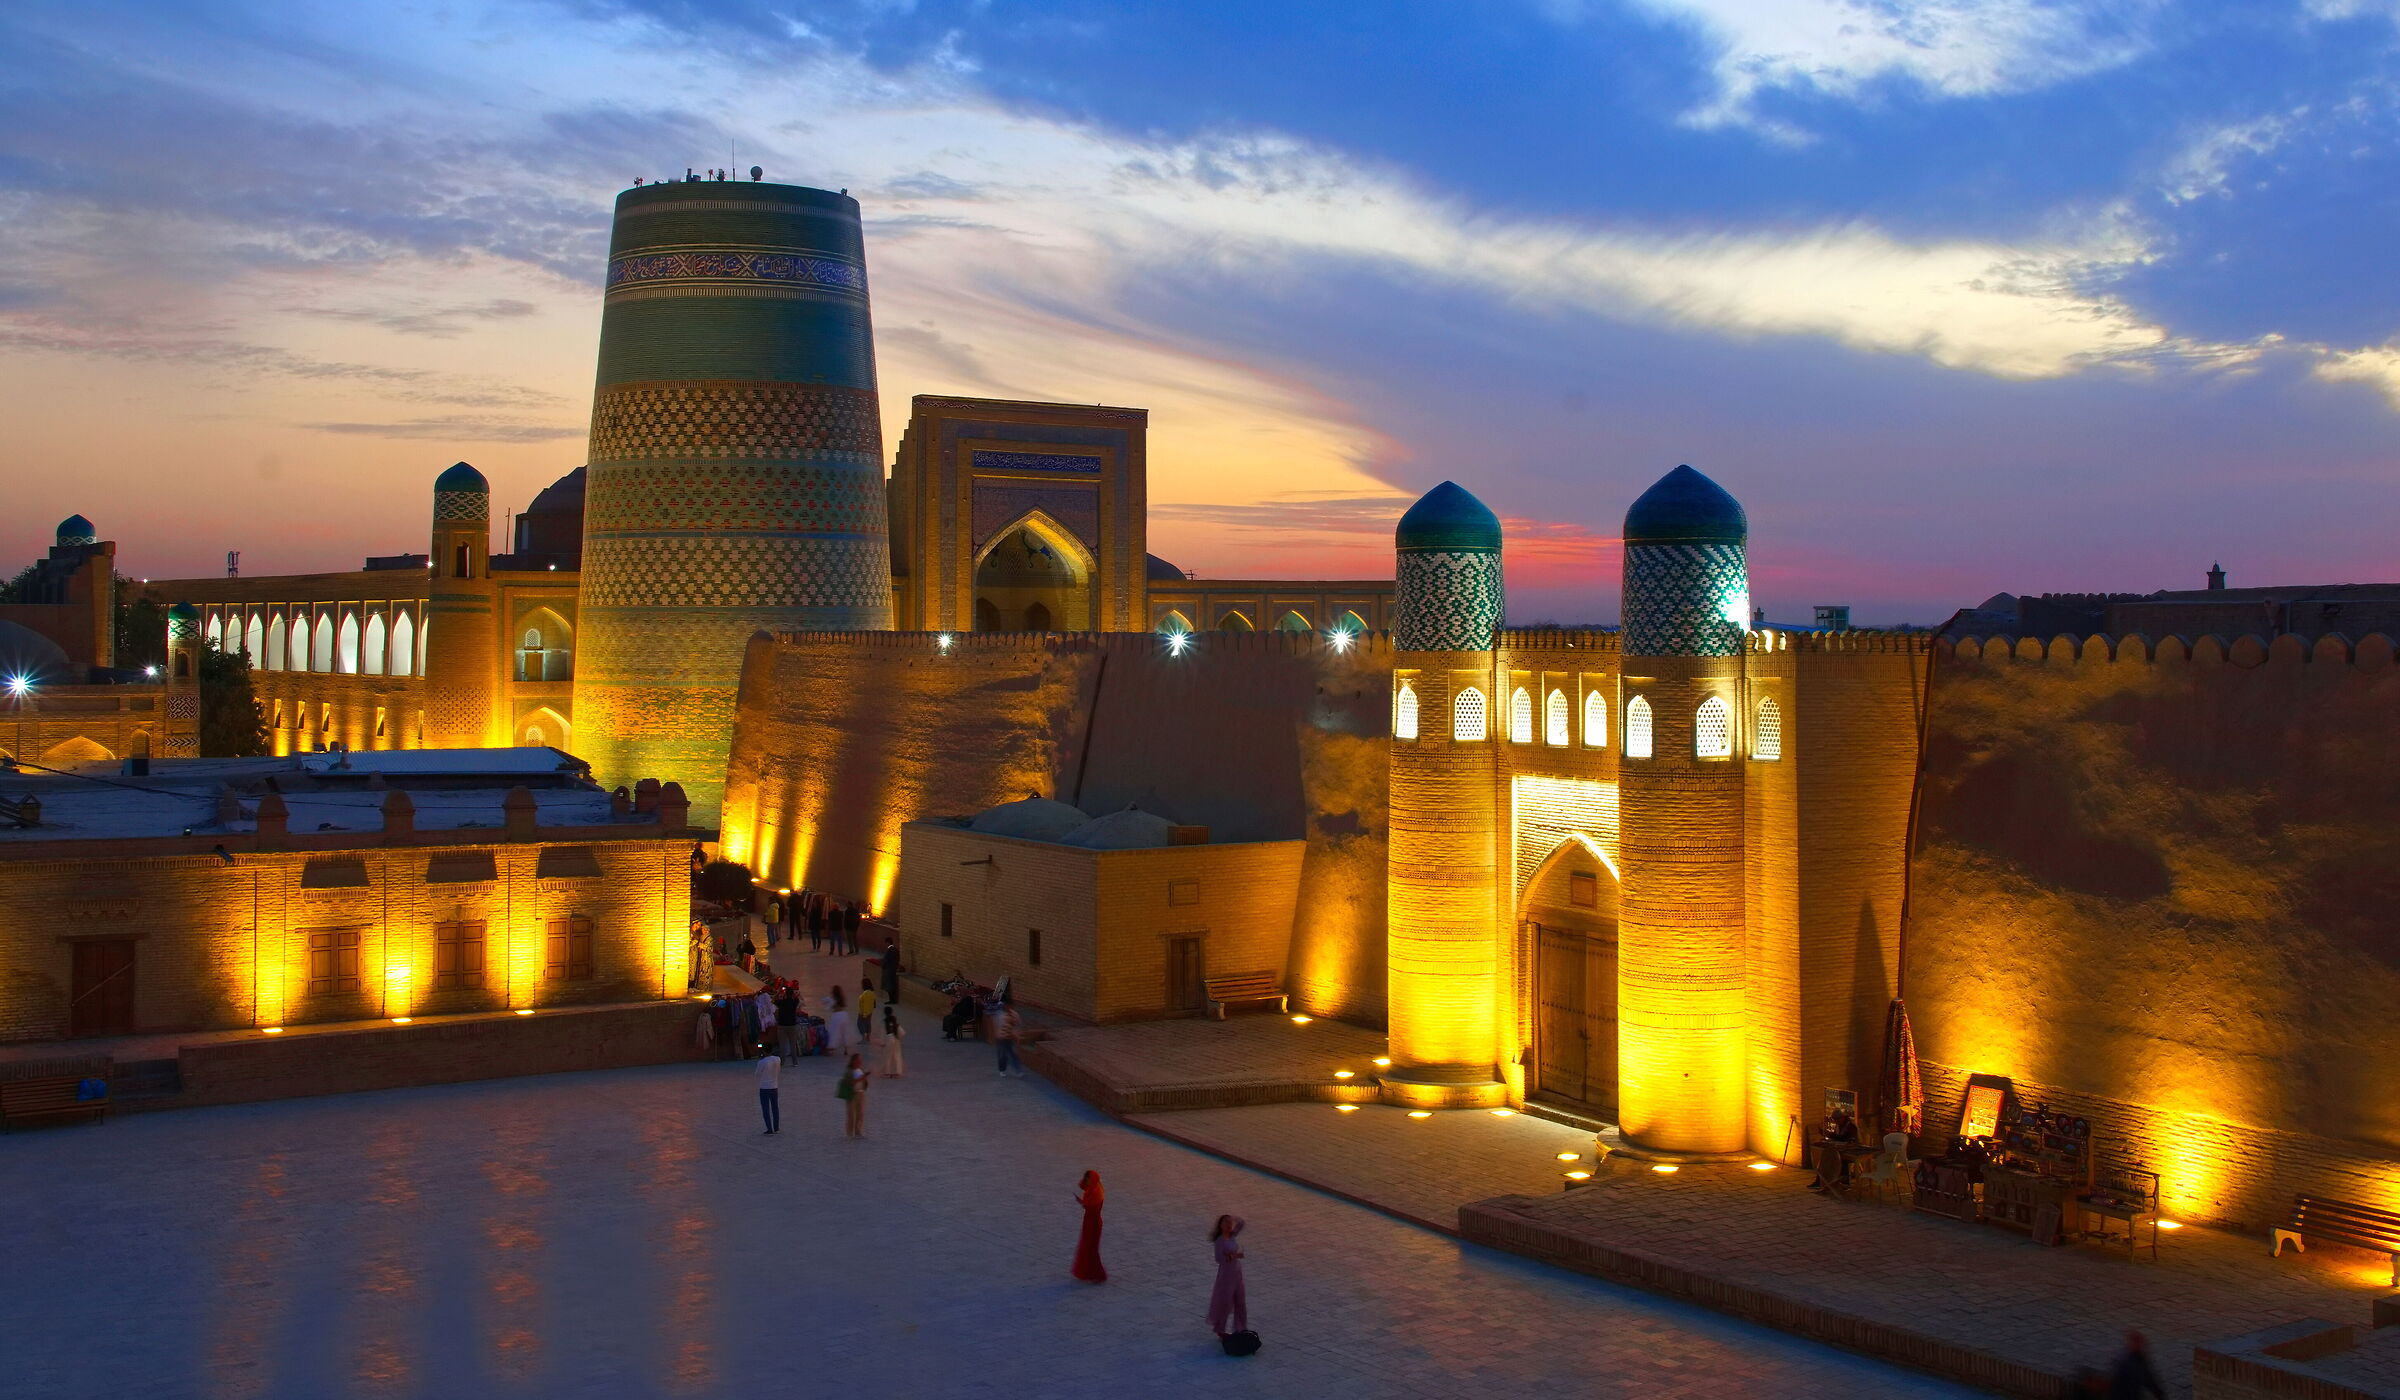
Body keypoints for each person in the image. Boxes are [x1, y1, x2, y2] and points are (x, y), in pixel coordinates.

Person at [1207, 1215, 1246, 1338]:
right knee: (1225, 1303)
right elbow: (1219, 1259)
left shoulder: (1232, 1235)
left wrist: (1233, 1217)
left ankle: (1241, 1328)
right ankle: (1220, 1329)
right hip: (1226, 1276)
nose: (1229, 1225)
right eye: (1226, 1223)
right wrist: (1234, 1256)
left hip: (1237, 1274)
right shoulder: (1220, 1241)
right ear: (1220, 1226)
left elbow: (1241, 1223)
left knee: (1240, 1302)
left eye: (1230, 1223)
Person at [1809, 1103, 1862, 1194]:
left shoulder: (1850, 1126)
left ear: (1841, 1118)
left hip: (1851, 1150)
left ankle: (1844, 1182)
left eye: (1836, 1120)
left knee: (1840, 1160)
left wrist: (1833, 1136)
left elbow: (1846, 1139)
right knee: (1825, 1158)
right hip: (1841, 1149)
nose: (1836, 1122)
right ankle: (1821, 1181)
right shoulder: (1840, 1126)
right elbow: (1838, 1137)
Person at [1071, 1171, 1107, 1283]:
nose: (1086, 1182)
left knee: (1092, 1249)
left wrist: (1082, 1202)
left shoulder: (1095, 1193)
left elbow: (1089, 1206)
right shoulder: (1094, 1189)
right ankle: (1091, 1273)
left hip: (1093, 1224)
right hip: (1089, 1223)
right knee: (1088, 1248)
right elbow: (1082, 1187)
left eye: (1088, 1180)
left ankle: (1099, 1275)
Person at [2109, 1331, 2165, 1399]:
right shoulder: (2128, 1363)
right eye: (2140, 1344)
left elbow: (2148, 1378)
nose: (2143, 1347)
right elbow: (2148, 1378)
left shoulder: (2138, 1358)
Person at [839, 1053, 869, 1137]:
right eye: (858, 1060)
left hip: (860, 1093)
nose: (860, 1061)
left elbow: (864, 1082)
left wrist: (864, 1080)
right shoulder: (849, 1072)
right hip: (852, 1094)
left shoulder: (860, 1070)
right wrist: (862, 1078)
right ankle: (850, 1132)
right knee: (851, 1114)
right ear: (854, 1061)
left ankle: (858, 1130)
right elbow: (850, 1083)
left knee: (860, 1113)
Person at [994, 996, 1023, 1077]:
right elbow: (998, 1025)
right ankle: (1002, 1069)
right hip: (1002, 1038)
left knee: (1013, 1054)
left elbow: (1018, 1025)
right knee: (1002, 1054)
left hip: (1010, 1037)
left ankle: (1018, 1070)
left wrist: (1017, 1036)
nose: (1008, 1007)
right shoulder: (1000, 1015)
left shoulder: (1014, 1014)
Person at [823, 985, 855, 1058]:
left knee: (834, 1032)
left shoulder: (833, 999)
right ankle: (846, 1049)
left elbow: (828, 1007)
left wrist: (826, 1002)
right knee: (845, 1032)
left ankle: (831, 1049)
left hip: (837, 1016)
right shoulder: (841, 998)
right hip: (844, 1015)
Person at [755, 1049, 781, 1134]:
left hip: (764, 1087)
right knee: (775, 1108)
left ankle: (769, 1129)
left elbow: (757, 1074)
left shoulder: (762, 1062)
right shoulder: (777, 1059)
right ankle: (776, 1128)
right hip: (774, 1086)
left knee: (765, 1109)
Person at [775, 984, 801, 1064]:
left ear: (785, 994)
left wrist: (779, 991)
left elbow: (772, 1000)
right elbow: (797, 997)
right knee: (793, 1044)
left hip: (782, 1025)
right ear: (792, 994)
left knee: (782, 1045)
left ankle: (782, 1062)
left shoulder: (781, 1002)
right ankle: (795, 1062)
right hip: (792, 1025)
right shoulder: (794, 1002)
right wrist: (793, 994)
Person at [878, 1005, 906, 1077]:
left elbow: (882, 1033)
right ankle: (898, 1071)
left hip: (889, 1039)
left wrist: (882, 1042)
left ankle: (887, 1071)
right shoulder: (895, 1021)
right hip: (896, 1039)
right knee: (897, 1056)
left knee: (887, 1056)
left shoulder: (884, 1022)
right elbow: (902, 1032)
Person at [880, 935, 901, 1005]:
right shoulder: (895, 949)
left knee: (889, 986)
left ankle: (892, 1000)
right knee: (892, 985)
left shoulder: (889, 950)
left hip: (888, 970)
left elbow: (886, 960)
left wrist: (883, 966)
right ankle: (893, 999)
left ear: (888, 942)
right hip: (893, 969)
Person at [857, 978, 878, 1044]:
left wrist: (865, 1014)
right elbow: (873, 1003)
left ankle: (864, 1038)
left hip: (863, 1012)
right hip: (869, 1012)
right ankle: (868, 1037)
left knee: (860, 1024)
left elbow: (866, 1004)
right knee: (868, 1024)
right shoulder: (872, 993)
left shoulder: (866, 993)